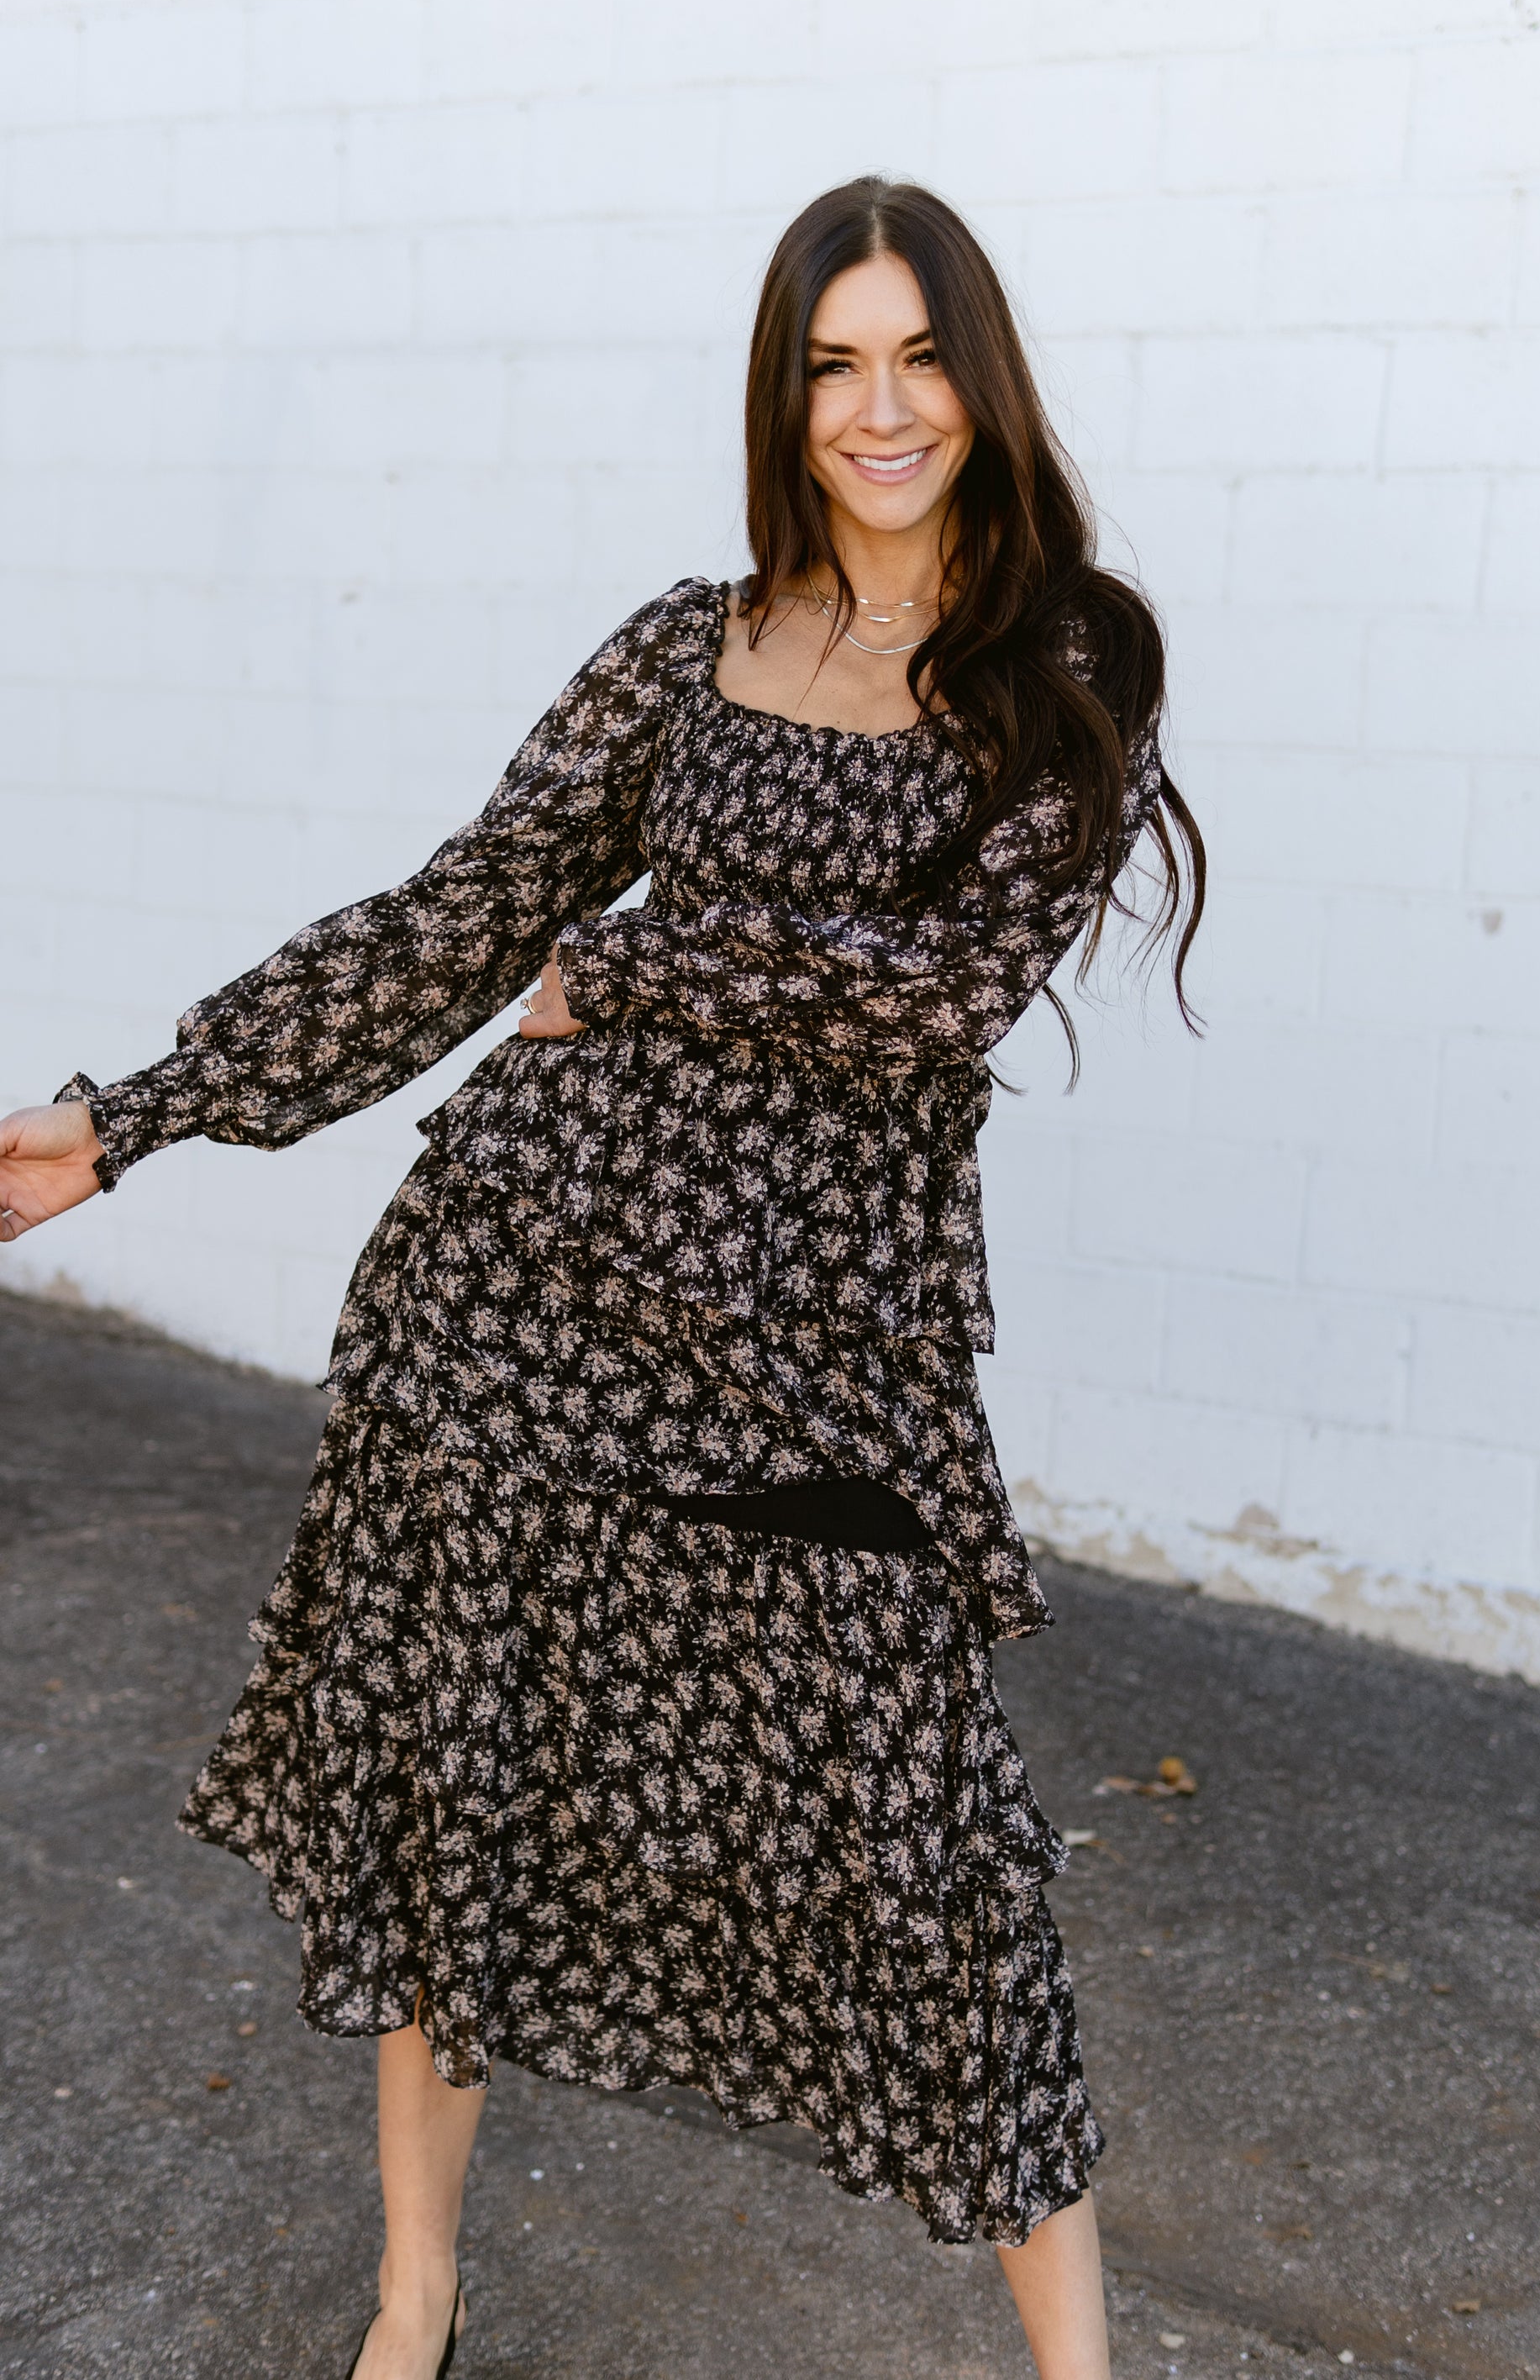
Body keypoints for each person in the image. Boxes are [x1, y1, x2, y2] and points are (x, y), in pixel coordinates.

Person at [0, 177, 1203, 2380]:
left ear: (981, 376)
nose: (877, 407)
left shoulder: (1064, 663)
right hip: (509, 1312)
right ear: (781, 395)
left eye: (917, 354)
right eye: (831, 364)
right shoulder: (684, 645)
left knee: (933, 1873)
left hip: (813, 1361)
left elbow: (932, 1003)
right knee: (464, 1790)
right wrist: (136, 1109)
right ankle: (414, 2295)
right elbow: (450, 923)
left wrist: (625, 958)